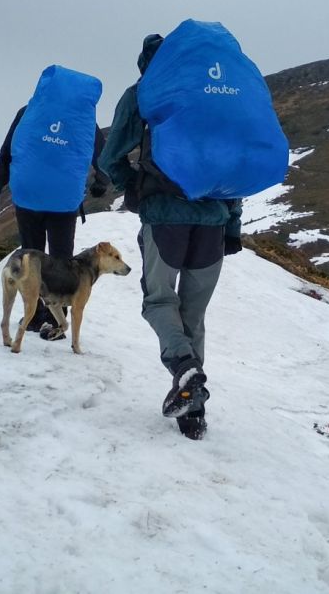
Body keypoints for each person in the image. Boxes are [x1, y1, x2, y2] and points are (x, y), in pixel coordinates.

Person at [98, 34, 243, 440]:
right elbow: (230, 166)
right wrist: (232, 222)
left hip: (165, 218)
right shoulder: (214, 94)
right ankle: (192, 415)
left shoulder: (143, 91)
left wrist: (137, 189)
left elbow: (110, 158)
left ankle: (183, 368)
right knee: (192, 315)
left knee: (159, 300)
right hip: (213, 220)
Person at [0, 66, 110, 338]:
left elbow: (6, 155)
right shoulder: (85, 119)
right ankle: (56, 321)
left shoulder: (28, 112)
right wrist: (101, 184)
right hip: (64, 202)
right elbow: (102, 157)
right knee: (62, 262)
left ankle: (36, 316)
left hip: (29, 198)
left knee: (31, 257)